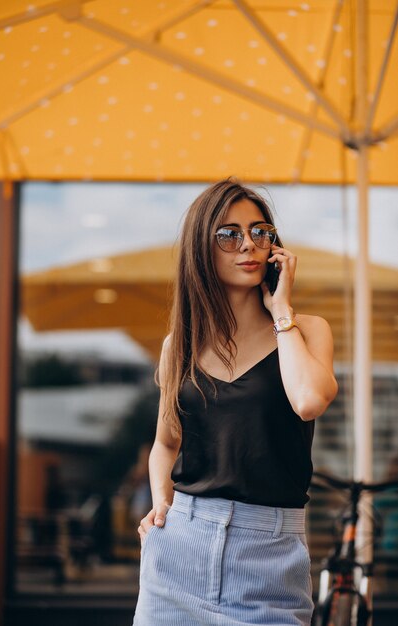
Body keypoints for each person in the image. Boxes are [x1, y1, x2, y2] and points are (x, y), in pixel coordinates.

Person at [133, 178, 338, 626]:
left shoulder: (307, 330)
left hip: (268, 557)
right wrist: (161, 511)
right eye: (229, 234)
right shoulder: (179, 345)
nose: (248, 244)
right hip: (179, 550)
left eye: (259, 231)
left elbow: (309, 400)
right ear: (201, 251)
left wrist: (281, 311)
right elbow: (167, 443)